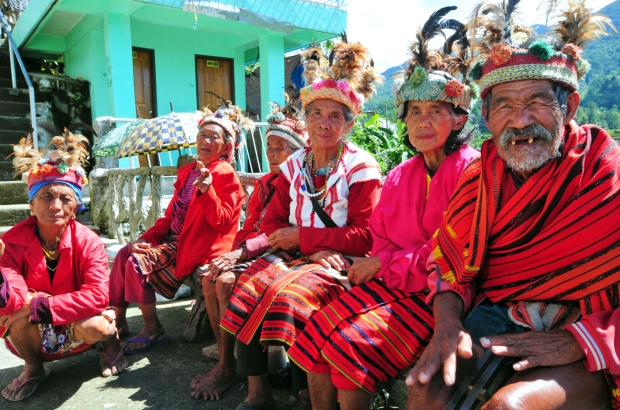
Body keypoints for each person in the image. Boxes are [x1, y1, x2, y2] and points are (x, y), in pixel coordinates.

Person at [406, 1, 620, 409]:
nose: (521, 120)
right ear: (486, 117)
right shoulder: (481, 180)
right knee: (426, 389)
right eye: (504, 104)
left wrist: (584, 339)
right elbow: (451, 268)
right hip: (500, 318)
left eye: (537, 101)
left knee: (509, 407)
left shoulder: (607, 175)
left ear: (569, 108)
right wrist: (447, 323)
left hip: (589, 332)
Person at [288, 8, 479, 409]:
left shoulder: (470, 171)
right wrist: (384, 263)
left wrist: (385, 264)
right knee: (317, 329)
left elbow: (454, 250)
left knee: (347, 347)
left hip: (441, 296)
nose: (422, 122)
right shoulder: (401, 174)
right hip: (393, 282)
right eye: (414, 112)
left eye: (435, 111)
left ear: (458, 118)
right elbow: (381, 236)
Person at [220, 38, 384, 410]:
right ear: (306, 118)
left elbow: (365, 236)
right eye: (316, 114)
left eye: (335, 116)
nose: (324, 123)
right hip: (300, 253)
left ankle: (304, 392)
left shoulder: (361, 167)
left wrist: (308, 240)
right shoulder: (296, 165)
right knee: (247, 286)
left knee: (291, 299)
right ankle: (257, 392)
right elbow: (275, 219)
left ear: (348, 123)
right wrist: (305, 244)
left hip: (339, 261)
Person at [190, 99, 308, 400]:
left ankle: (239, 370)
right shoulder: (266, 182)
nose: (272, 152)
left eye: (281, 146)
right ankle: (226, 362)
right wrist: (234, 252)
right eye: (270, 146)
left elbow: (279, 234)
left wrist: (239, 254)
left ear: (298, 151)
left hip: (286, 252)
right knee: (211, 277)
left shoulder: (298, 183)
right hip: (254, 249)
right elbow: (249, 226)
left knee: (229, 281)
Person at [110, 103, 252, 354]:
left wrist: (208, 192)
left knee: (135, 263)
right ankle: (118, 321)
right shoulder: (189, 171)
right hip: (175, 239)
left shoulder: (224, 173)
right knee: (125, 252)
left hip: (198, 246)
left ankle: (154, 330)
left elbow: (221, 221)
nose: (204, 140)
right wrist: (146, 238)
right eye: (201, 135)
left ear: (226, 147)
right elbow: (170, 217)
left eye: (213, 137)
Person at [0, 131, 126, 401]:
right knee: (8, 318)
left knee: (97, 326)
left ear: (76, 206)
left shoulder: (88, 241)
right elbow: (10, 300)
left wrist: (36, 304)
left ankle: (112, 343)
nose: (55, 205)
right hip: (37, 324)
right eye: (46, 196)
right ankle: (34, 368)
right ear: (31, 204)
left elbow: (97, 296)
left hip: (75, 321)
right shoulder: (10, 241)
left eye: (65, 198)